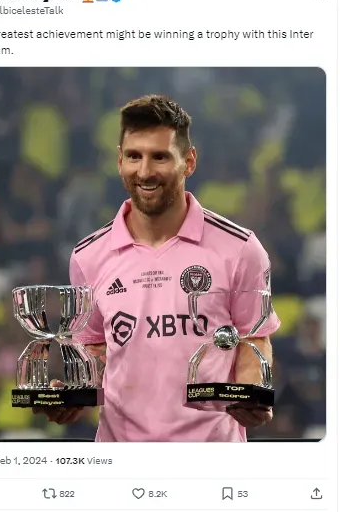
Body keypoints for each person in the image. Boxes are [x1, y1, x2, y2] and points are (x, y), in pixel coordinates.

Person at [34, 94, 281, 441]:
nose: (145, 171)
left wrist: (252, 393)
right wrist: (75, 394)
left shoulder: (240, 248)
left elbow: (253, 337)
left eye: (160, 157)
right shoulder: (87, 256)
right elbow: (96, 348)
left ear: (189, 161)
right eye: (134, 156)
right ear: (119, 161)